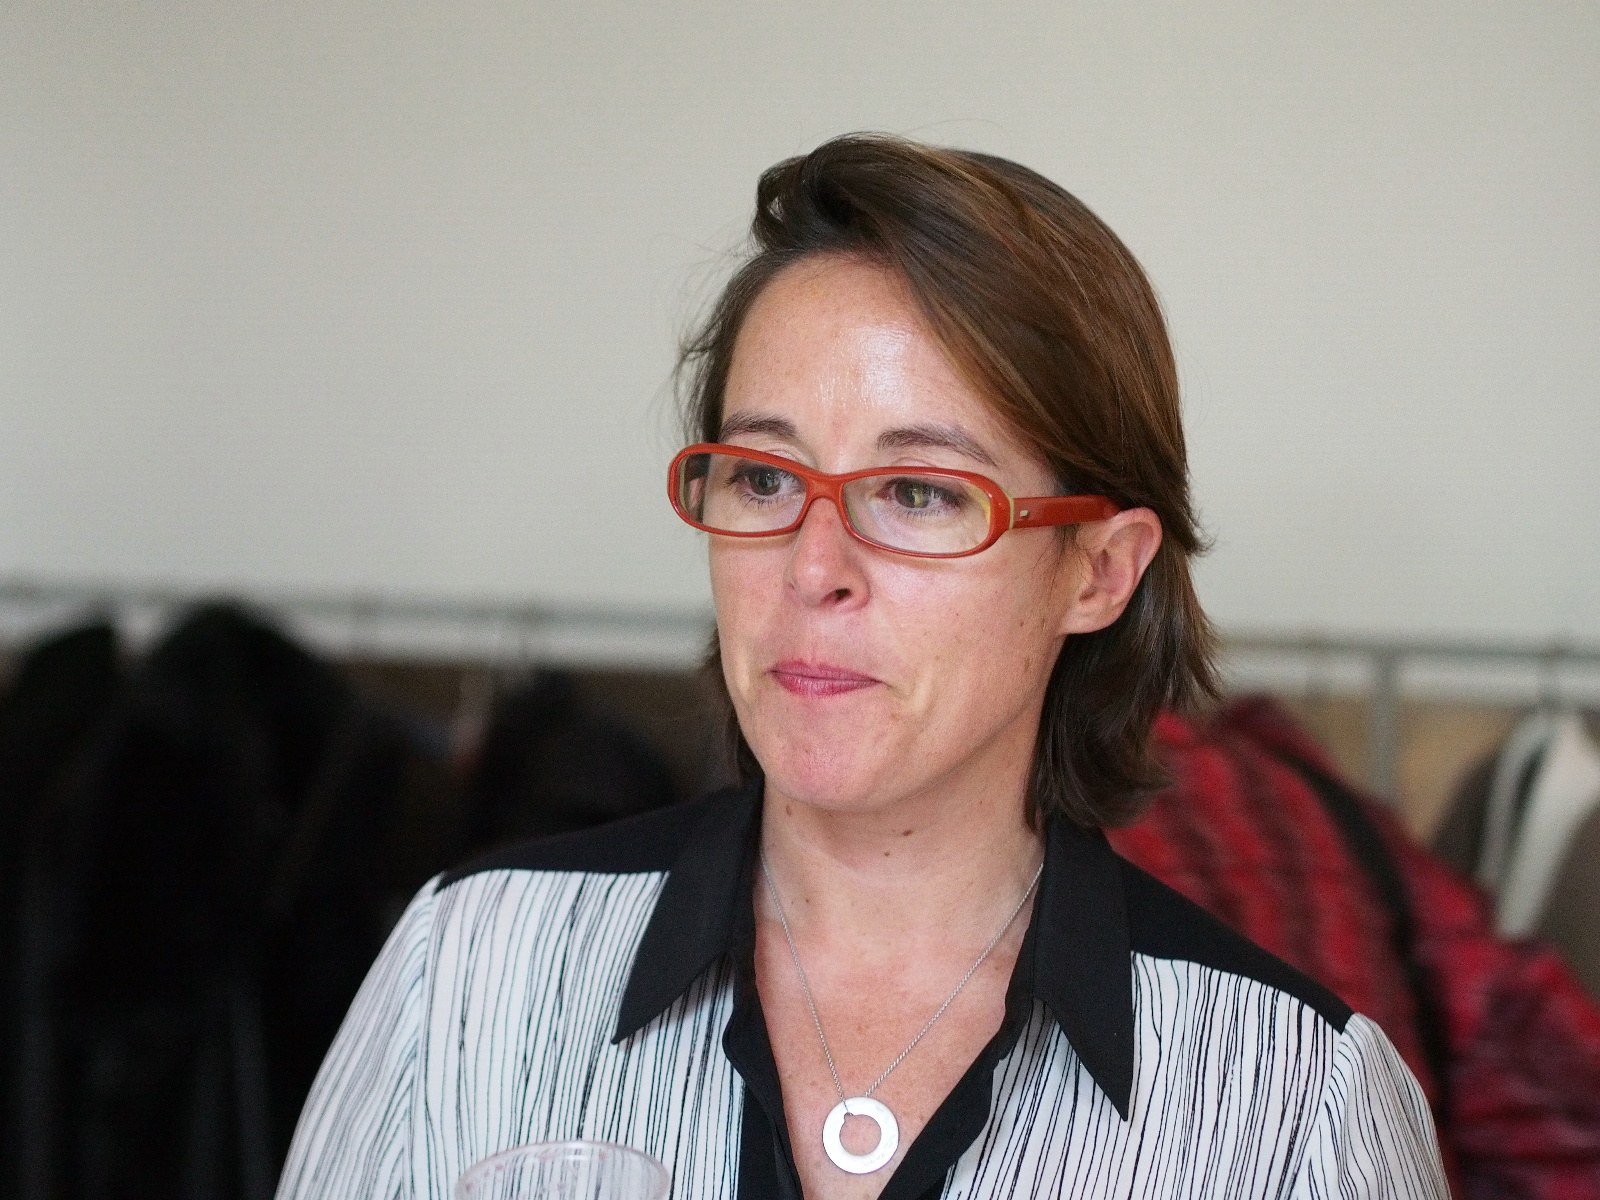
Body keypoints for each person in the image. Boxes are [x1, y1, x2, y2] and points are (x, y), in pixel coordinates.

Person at [276, 135, 1448, 1199]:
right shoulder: (464, 970)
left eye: (919, 493)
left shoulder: (1298, 1109)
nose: (812, 567)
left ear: (1097, 572)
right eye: (763, 478)